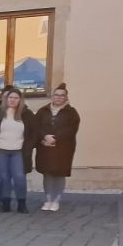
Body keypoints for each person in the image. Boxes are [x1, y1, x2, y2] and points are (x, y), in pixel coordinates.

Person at [0, 87, 37, 213]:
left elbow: (34, 132)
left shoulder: (26, 114)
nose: (13, 100)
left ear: (20, 100)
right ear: (6, 99)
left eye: (16, 98)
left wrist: (29, 146)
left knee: (19, 177)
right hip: (0, 150)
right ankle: (5, 203)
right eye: (11, 97)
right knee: (4, 177)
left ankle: (21, 203)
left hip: (18, 151)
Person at [34, 83, 80, 211]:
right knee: (47, 173)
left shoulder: (71, 112)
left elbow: (71, 129)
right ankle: (48, 199)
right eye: (56, 95)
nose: (59, 97)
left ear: (66, 98)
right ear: (52, 96)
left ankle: (56, 199)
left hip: (63, 148)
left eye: (62, 95)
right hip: (45, 147)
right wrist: (45, 137)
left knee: (59, 173)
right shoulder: (43, 111)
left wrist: (55, 137)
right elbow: (36, 126)